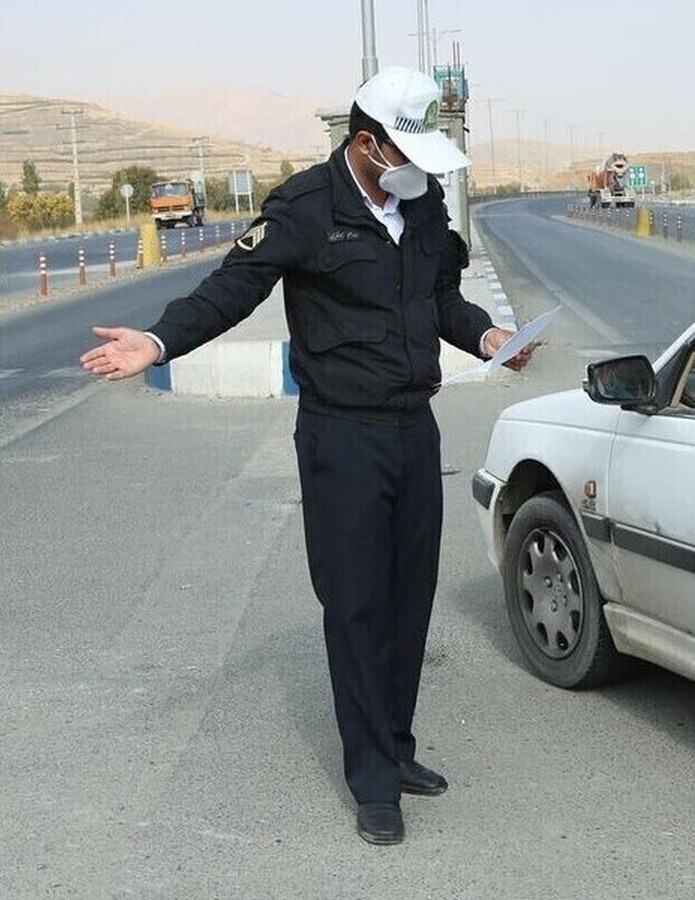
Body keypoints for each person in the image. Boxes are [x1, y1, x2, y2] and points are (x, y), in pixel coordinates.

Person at [79, 66, 534, 846]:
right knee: (356, 605)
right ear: (366, 143)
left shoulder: (421, 212)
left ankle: (397, 746)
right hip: (342, 436)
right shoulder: (305, 210)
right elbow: (230, 289)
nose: (418, 169)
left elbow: (441, 302)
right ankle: (371, 782)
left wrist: (489, 335)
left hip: (413, 431)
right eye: (407, 151)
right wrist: (157, 341)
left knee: (407, 599)